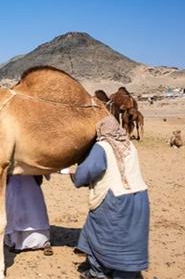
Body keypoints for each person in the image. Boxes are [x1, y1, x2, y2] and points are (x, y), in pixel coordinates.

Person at [71, 116, 149, 279]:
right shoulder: (130, 145)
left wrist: (74, 174)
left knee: (99, 233)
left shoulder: (102, 147)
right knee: (131, 238)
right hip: (139, 198)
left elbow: (85, 174)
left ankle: (98, 272)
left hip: (115, 200)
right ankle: (125, 273)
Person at [5, 174, 53, 256]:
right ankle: (16, 243)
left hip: (31, 173)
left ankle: (43, 241)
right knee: (15, 205)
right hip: (13, 175)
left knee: (34, 205)